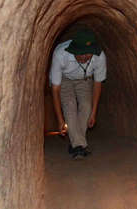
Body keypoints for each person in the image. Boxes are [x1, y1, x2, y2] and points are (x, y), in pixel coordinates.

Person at [49, 28, 107, 159]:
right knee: (70, 105)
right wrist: (59, 120)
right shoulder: (60, 54)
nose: (83, 58)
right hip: (64, 79)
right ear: (73, 50)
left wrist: (94, 112)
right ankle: (78, 146)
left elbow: (98, 84)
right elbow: (55, 89)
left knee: (86, 106)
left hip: (85, 79)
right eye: (80, 55)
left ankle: (76, 142)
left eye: (87, 55)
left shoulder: (99, 56)